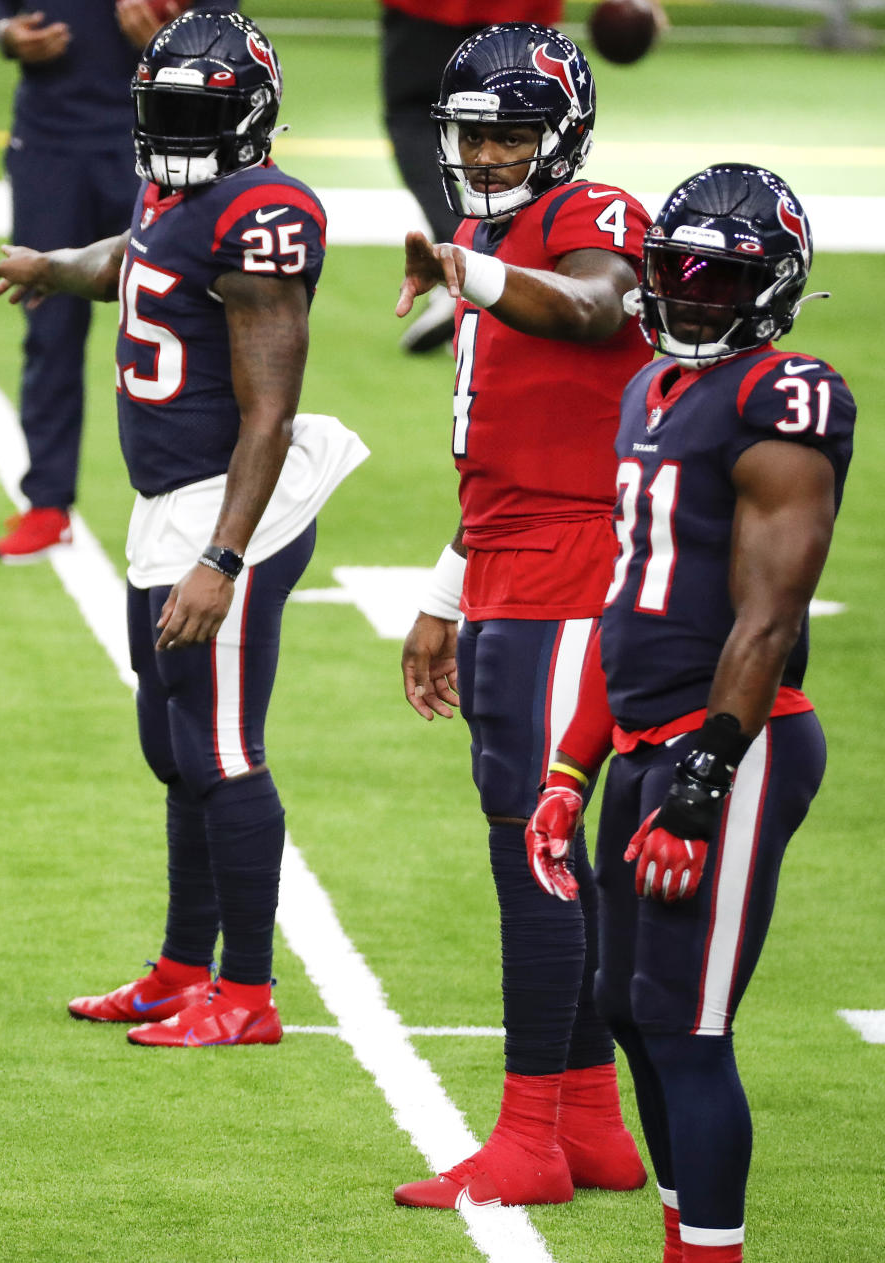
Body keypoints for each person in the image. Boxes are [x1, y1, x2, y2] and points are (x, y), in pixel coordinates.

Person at [0, 10, 367, 1048]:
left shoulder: (266, 213)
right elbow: (143, 255)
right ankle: (180, 967)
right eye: (163, 109)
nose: (177, 129)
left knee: (225, 748)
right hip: (172, 502)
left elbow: (271, 412)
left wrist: (222, 559)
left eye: (198, 111)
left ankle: (246, 995)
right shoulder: (179, 188)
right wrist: (60, 265)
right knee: (175, 743)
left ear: (249, 115)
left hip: (229, 505)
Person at [525, 164, 856, 1261]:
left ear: (774, 287)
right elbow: (633, 607)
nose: (695, 297)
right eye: (677, 272)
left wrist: (703, 789)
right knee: (629, 1009)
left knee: (687, 1024)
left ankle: (707, 1253)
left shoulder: (787, 395)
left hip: (735, 740)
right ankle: (686, 1232)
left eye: (724, 278)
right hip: (645, 737)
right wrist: (573, 769)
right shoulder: (651, 388)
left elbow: (768, 619)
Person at [393, 22, 653, 1208]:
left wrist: (482, 275)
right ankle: (591, 1124)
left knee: (536, 850)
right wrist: (445, 595)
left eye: (509, 133)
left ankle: (530, 1139)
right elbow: (504, 444)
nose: (488, 155)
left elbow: (596, 311)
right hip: (506, 558)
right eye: (471, 134)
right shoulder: (480, 235)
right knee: (538, 850)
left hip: (571, 567)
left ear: (562, 137)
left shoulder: (596, 215)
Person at [0, 0, 234, 562]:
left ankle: (212, 502)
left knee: (185, 322)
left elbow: (225, 24)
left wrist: (177, 41)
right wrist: (4, 32)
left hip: (160, 140)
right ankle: (47, 505)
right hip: (50, 142)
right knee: (49, 327)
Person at [380, 0, 565, 353]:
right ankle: (520, 276)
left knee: (414, 118)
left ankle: (467, 263)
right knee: (532, 127)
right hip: (520, 10)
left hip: (430, 11)